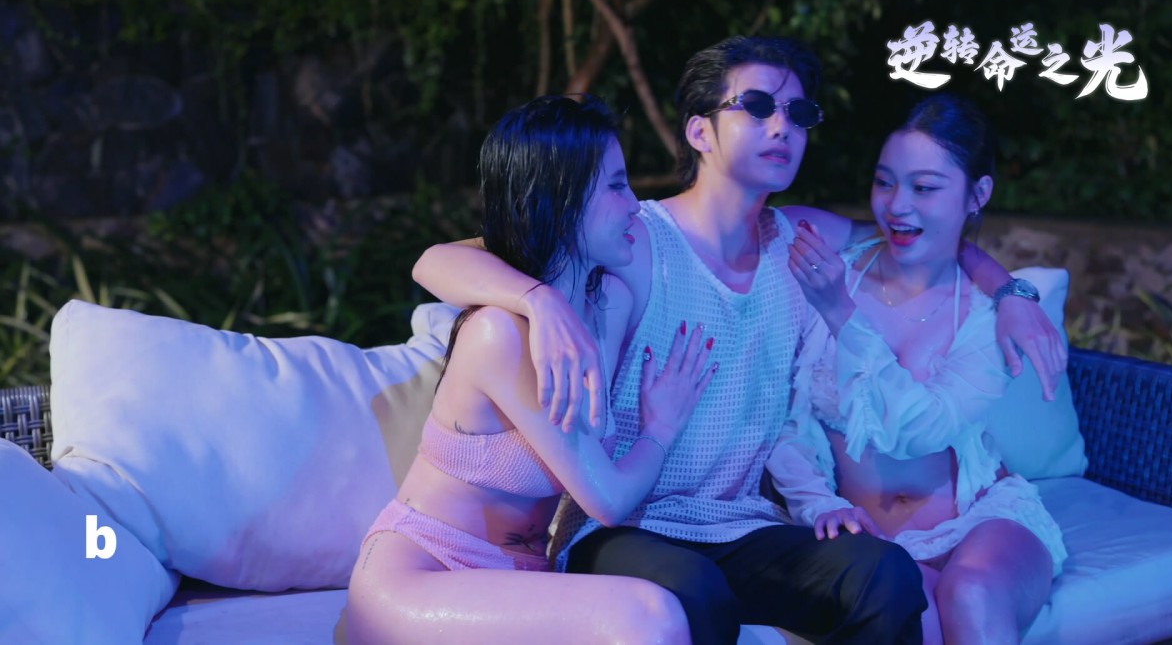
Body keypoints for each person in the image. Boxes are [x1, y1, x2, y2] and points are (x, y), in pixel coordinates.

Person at [412, 36, 1065, 644]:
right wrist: (539, 297)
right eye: (756, 107)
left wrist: (1012, 293)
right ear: (700, 131)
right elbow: (439, 260)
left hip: (743, 525)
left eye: (797, 113)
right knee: (695, 589)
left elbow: (920, 233)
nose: (782, 127)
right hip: (628, 528)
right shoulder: (634, 237)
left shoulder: (801, 243)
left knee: (884, 573)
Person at [344, 95, 718, 644]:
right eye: (616, 186)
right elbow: (609, 499)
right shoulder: (497, 334)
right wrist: (660, 427)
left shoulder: (609, 305)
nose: (635, 205)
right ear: (560, 200)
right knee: (651, 615)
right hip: (423, 572)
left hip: (521, 576)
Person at [769, 93, 1067, 645]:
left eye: (925, 188)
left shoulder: (988, 315)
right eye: (884, 182)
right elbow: (787, 422)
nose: (897, 205)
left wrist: (842, 315)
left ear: (978, 194)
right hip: (860, 531)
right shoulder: (834, 270)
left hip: (982, 522)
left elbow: (918, 432)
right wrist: (818, 503)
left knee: (970, 593)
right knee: (909, 613)